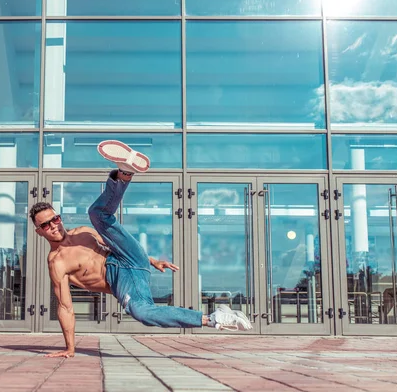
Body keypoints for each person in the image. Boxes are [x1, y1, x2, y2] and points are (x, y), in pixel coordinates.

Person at [30, 140, 252, 358]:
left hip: (129, 256)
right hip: (121, 278)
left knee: (98, 214)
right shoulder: (57, 262)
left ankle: (124, 173)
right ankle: (214, 318)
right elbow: (65, 307)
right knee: (142, 312)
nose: (53, 226)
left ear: (59, 217)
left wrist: (152, 260)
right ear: (39, 231)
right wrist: (70, 348)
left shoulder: (83, 232)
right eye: (45, 225)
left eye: (55, 219)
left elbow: (115, 242)